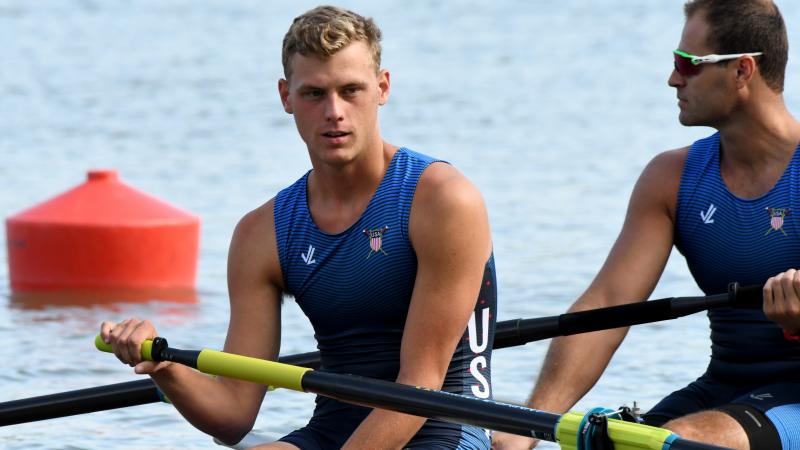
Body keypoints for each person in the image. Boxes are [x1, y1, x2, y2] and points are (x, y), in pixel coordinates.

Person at [101, 5, 497, 449]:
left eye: (351, 90)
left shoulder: (443, 200)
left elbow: (420, 385)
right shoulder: (260, 234)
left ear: (382, 88)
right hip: (332, 432)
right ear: (286, 97)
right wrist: (165, 366)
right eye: (314, 94)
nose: (335, 111)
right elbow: (232, 415)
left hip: (439, 427)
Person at [492, 1, 800, 449]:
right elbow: (607, 306)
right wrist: (528, 428)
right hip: (726, 386)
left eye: (687, 64)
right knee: (622, 443)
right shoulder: (672, 179)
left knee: (673, 443)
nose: (673, 79)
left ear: (742, 71)